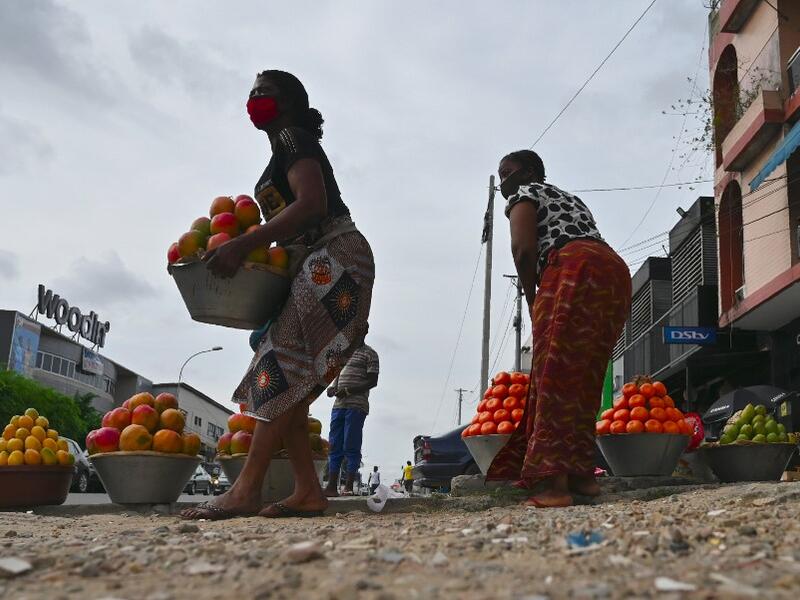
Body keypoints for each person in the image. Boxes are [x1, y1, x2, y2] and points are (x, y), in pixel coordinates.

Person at [182, 70, 374, 520]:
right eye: (251, 93)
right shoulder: (280, 152)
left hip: (337, 255)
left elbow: (312, 205)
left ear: (289, 102)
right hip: (320, 260)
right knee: (294, 378)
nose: (254, 100)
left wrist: (243, 244)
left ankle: (246, 489)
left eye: (264, 93)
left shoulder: (293, 137)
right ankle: (308, 490)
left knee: (280, 363)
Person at [487, 150, 630, 508]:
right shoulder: (570, 198)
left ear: (531, 172)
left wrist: (533, 295)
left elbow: (522, 249)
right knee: (584, 375)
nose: (503, 182)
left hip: (573, 268)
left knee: (555, 374)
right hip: (612, 272)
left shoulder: (525, 194)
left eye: (508, 173)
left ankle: (554, 484)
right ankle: (582, 476)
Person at [323, 341, 380, 496]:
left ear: (364, 330)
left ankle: (348, 487)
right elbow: (337, 376)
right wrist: (333, 388)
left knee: (351, 444)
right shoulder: (343, 353)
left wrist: (348, 391)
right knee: (334, 445)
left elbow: (372, 381)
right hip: (339, 405)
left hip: (356, 405)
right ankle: (332, 487)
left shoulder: (370, 354)